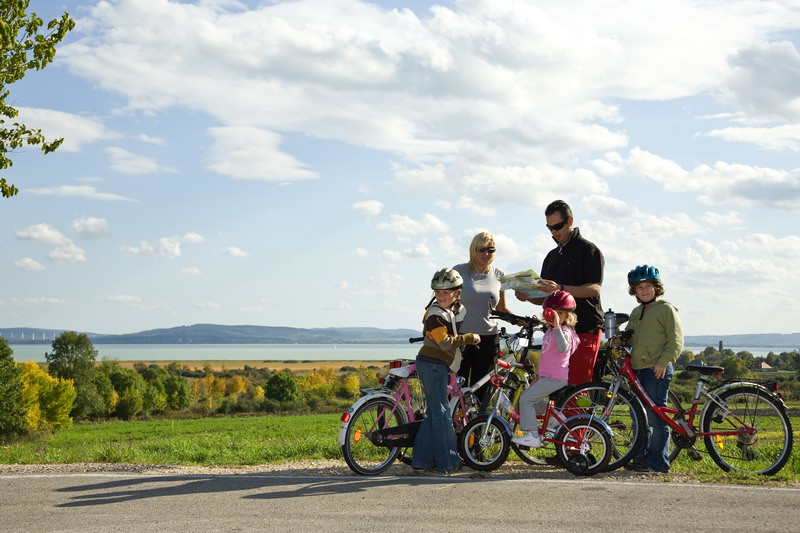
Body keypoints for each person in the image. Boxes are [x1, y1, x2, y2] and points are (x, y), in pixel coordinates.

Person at [515, 200, 604, 385]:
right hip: (556, 331)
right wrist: (528, 296)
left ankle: (578, 416)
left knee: (577, 387)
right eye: (550, 228)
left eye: (558, 226)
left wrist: (560, 288)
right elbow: (546, 299)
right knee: (553, 387)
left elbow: (595, 289)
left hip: (584, 328)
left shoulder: (589, 250)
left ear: (570, 220)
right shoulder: (551, 256)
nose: (554, 232)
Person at [412, 268, 481, 474]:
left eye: (446, 292)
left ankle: (421, 462)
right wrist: (470, 338)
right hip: (431, 364)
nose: (441, 296)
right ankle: (447, 463)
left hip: (438, 364)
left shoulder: (456, 310)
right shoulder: (435, 314)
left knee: (434, 414)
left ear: (457, 293)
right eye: (437, 292)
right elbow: (444, 342)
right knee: (441, 414)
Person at [622, 265, 683, 473]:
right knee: (639, 417)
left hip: (656, 369)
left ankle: (658, 462)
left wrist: (664, 362)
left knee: (657, 418)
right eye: (639, 288)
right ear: (634, 292)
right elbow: (630, 338)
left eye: (648, 286)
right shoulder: (636, 312)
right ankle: (641, 459)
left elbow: (676, 340)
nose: (644, 290)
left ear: (657, 287)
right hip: (637, 370)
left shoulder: (665, 309)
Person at [512, 290, 580, 448]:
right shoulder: (549, 332)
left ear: (568, 316)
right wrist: (538, 376)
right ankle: (559, 424)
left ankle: (532, 435)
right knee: (533, 403)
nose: (555, 316)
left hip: (555, 377)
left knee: (526, 399)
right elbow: (547, 358)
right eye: (552, 312)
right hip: (546, 377)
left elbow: (563, 348)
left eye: (560, 313)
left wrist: (556, 326)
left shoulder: (565, 332)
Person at [452, 232, 511, 400]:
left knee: (481, 392)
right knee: (457, 390)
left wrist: (522, 320)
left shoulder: (500, 275)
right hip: (462, 338)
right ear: (473, 250)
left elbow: (502, 309)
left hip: (488, 339)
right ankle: (454, 426)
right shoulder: (459, 271)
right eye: (482, 250)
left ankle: (476, 426)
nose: (486, 254)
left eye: (491, 250)